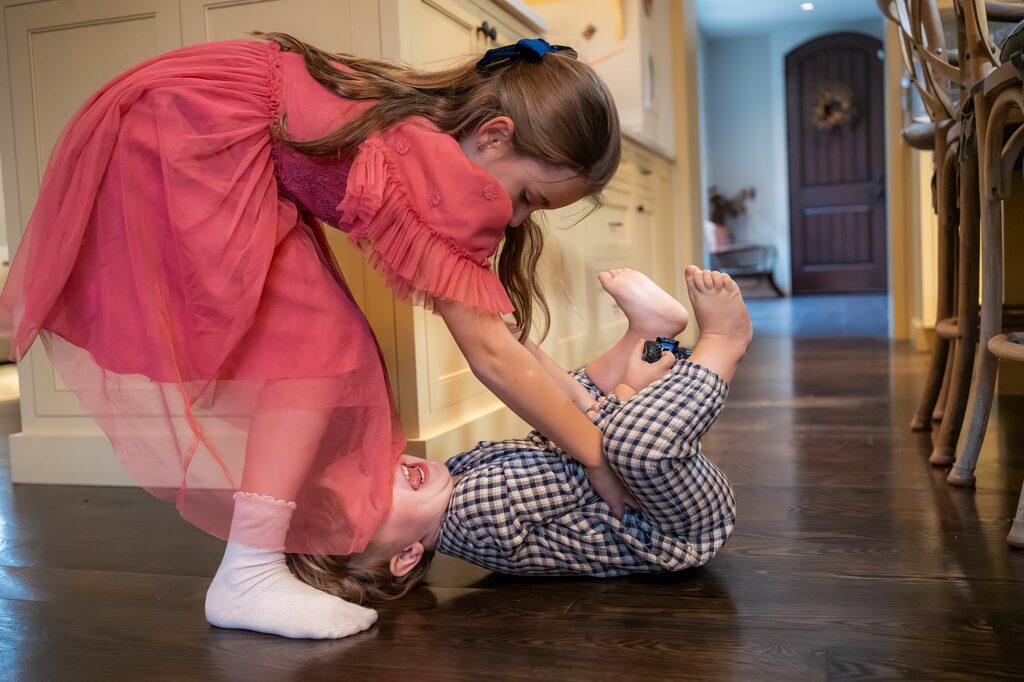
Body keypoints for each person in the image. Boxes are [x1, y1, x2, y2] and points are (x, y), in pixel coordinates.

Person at [0, 34, 623, 638]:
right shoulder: (438, 168)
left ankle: (253, 566)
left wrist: (583, 404)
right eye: (529, 197)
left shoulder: (426, 136)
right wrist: (595, 456)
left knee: (320, 342)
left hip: (185, 118)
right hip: (187, 134)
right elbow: (490, 353)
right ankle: (250, 572)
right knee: (318, 346)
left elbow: (500, 337)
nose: (514, 217)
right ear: (494, 135)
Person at [287, 266, 750, 603]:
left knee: (563, 411)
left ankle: (650, 334)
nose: (385, 472)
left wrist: (531, 357)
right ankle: (723, 343)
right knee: (631, 444)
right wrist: (629, 391)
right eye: (374, 498)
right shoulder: (474, 513)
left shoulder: (454, 481)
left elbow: (554, 441)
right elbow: (592, 464)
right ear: (406, 556)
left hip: (640, 495)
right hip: (675, 526)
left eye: (366, 469)